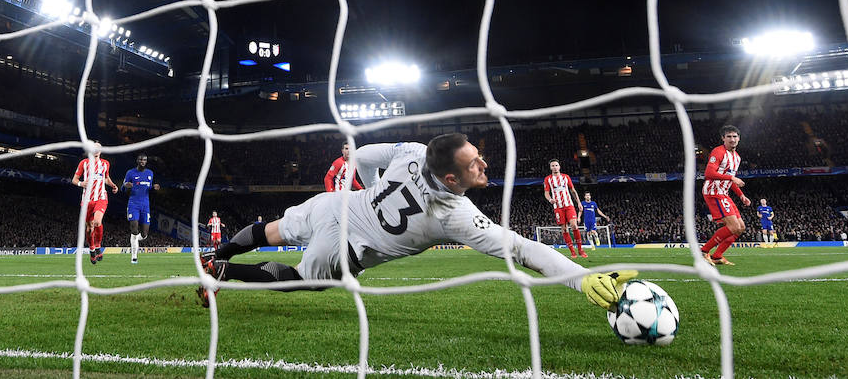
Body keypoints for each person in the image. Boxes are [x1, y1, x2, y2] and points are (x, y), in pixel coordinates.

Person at [196, 133, 636, 310]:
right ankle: (221, 271)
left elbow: (363, 155)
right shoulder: (455, 215)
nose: (483, 164)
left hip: (336, 204)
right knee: (298, 279)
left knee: (272, 229)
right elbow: (523, 250)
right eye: (473, 164)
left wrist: (367, 192)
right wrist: (582, 279)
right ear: (450, 177)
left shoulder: (413, 150)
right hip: (349, 245)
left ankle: (219, 253)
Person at [700, 125, 751, 266]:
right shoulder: (718, 152)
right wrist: (732, 179)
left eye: (735, 136)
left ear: (739, 139)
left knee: (740, 228)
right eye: (728, 136)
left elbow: (729, 177)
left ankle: (717, 256)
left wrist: (741, 195)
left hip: (724, 193)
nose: (732, 139)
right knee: (734, 226)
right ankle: (704, 251)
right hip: (713, 192)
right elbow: (709, 173)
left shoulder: (737, 158)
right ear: (723, 138)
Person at [71, 141, 118, 265]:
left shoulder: (105, 164)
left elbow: (106, 178)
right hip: (86, 200)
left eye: (98, 148)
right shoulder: (84, 163)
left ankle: (98, 245)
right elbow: (74, 180)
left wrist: (113, 185)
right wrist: (81, 183)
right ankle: (92, 249)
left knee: (97, 222)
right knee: (89, 227)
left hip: (101, 197)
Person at [122, 153, 160, 264]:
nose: (142, 161)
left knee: (144, 234)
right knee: (134, 229)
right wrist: (126, 186)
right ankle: (134, 257)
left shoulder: (150, 173)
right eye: (140, 159)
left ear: (146, 161)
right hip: (133, 204)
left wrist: (154, 188)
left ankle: (134, 240)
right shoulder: (130, 173)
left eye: (144, 160)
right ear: (137, 161)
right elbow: (123, 188)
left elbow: (149, 188)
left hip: (145, 205)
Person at [543, 159, 585, 258]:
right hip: (558, 207)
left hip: (569, 205)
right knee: (564, 229)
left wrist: (579, 203)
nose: (554, 167)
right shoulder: (548, 179)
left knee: (574, 225)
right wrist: (550, 200)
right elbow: (546, 193)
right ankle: (572, 252)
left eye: (556, 165)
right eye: (552, 165)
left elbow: (573, 190)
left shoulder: (566, 177)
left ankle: (580, 250)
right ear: (550, 168)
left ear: (559, 166)